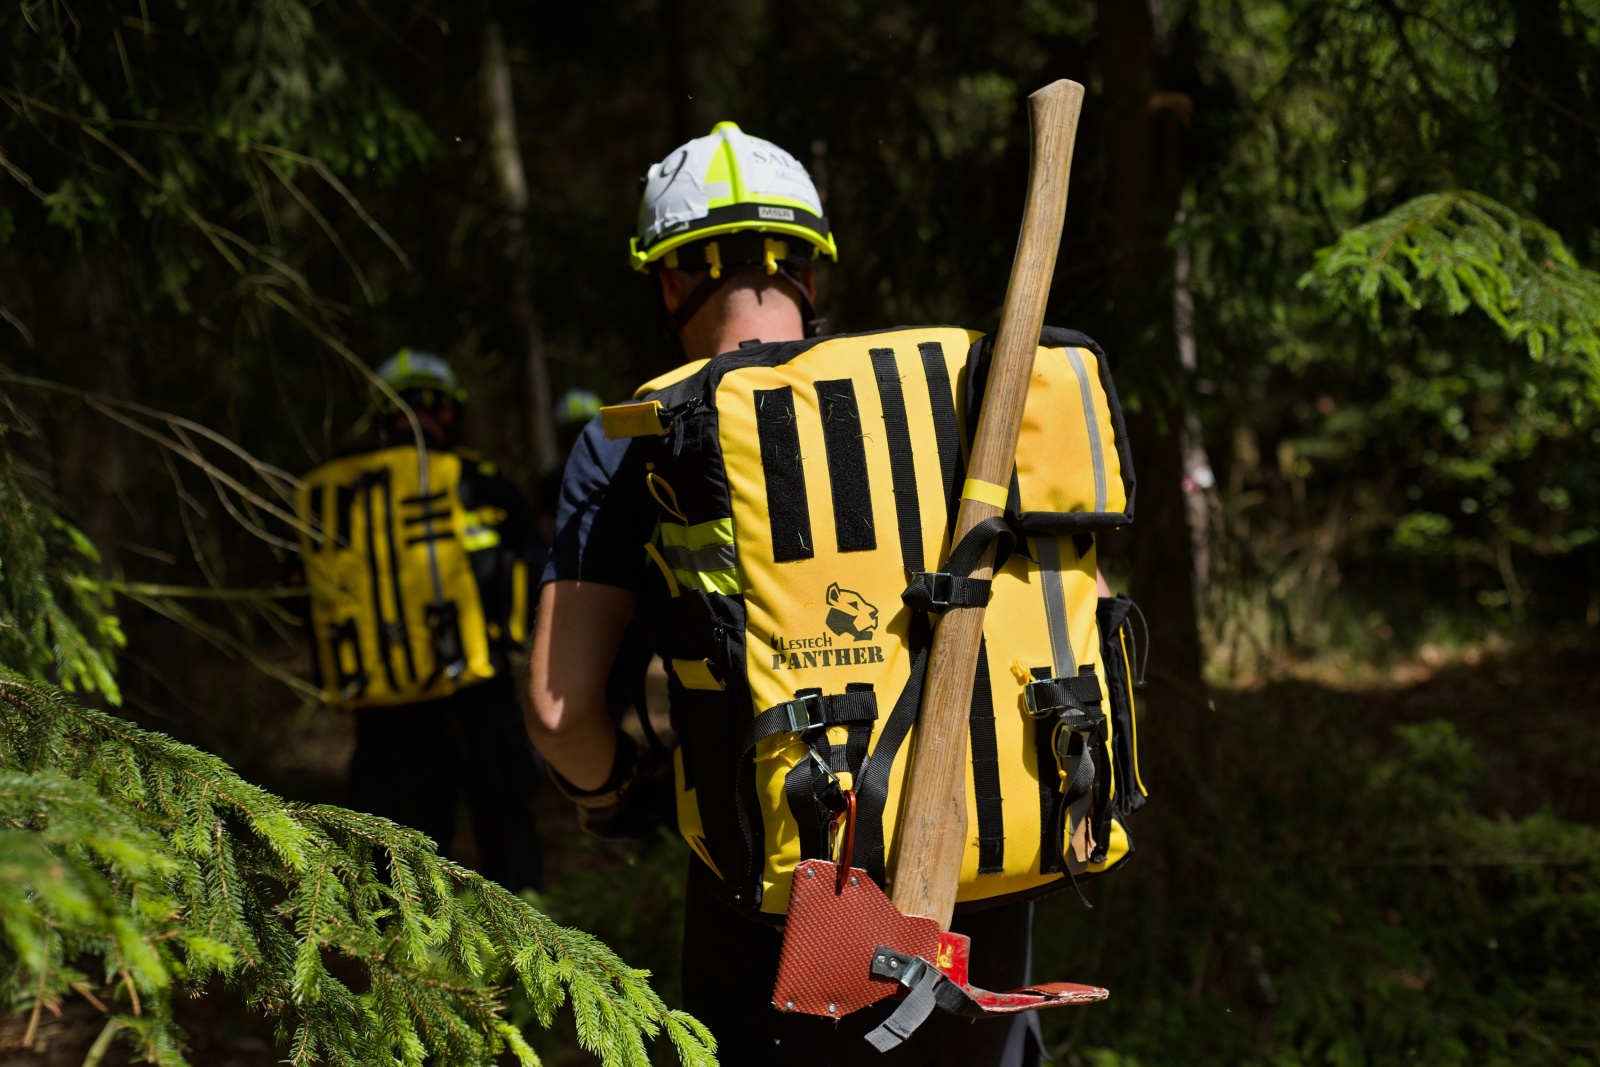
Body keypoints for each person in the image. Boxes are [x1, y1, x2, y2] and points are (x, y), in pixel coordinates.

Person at [527, 123, 1057, 1064]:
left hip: (789, 901)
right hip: (985, 871)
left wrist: (610, 797)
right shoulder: (949, 402)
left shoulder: (636, 431)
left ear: (668, 280)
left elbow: (560, 711)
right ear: (811, 269)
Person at [295, 350, 545, 893]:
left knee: (397, 845)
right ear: (448, 411)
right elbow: (532, 563)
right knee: (503, 822)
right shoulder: (475, 478)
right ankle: (531, 941)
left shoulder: (326, 490)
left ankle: (404, 952)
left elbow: (302, 594)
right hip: (475, 687)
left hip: (380, 701)